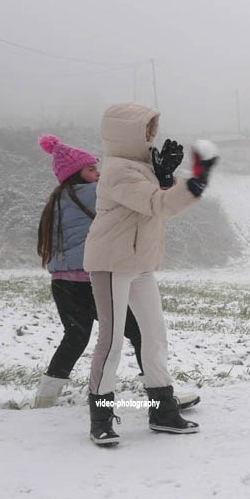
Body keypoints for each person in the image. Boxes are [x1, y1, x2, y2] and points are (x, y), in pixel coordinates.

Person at [32, 135, 200, 411]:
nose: (98, 175)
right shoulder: (91, 193)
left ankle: (45, 398)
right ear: (75, 174)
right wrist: (159, 175)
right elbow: (136, 196)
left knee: (75, 336)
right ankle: (160, 395)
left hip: (64, 283)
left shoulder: (59, 198)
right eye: (90, 170)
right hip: (95, 280)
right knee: (139, 332)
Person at [83, 102, 218, 447]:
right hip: (112, 264)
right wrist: (195, 182)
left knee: (155, 336)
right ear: (125, 133)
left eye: (151, 128)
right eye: (145, 129)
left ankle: (162, 411)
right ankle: (101, 418)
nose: (150, 136)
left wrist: (165, 177)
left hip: (140, 264)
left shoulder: (139, 168)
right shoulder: (117, 171)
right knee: (111, 342)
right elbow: (156, 204)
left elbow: (153, 201)